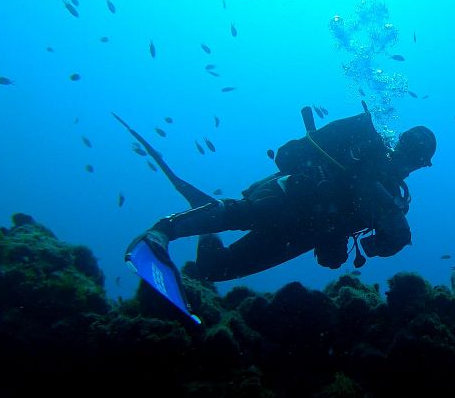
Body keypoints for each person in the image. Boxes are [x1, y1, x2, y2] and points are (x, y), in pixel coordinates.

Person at [121, 102, 435, 299]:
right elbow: (290, 154)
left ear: (421, 166)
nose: (408, 162)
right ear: (400, 142)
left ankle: (203, 223)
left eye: (416, 160)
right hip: (290, 198)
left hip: (300, 236)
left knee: (215, 269)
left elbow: (376, 241)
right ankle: (161, 232)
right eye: (409, 152)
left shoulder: (393, 198)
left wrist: (385, 243)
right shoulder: (364, 149)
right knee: (240, 214)